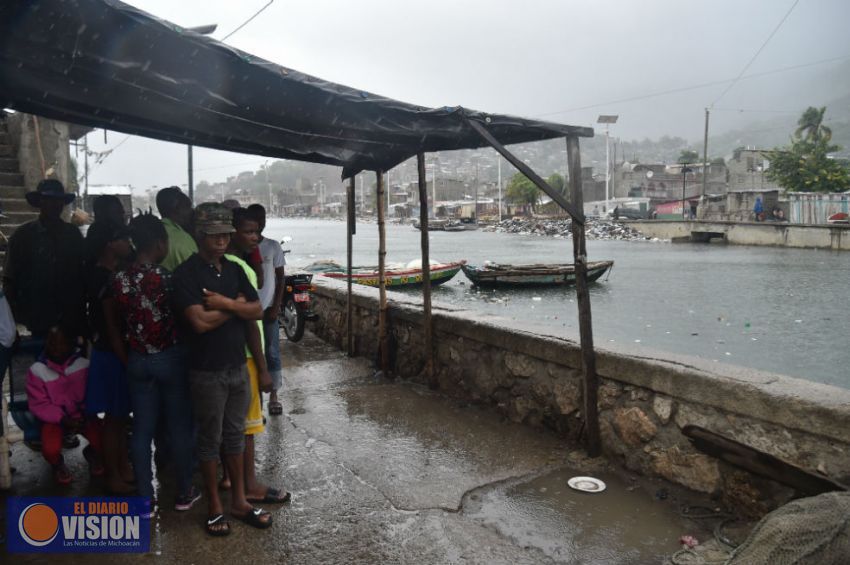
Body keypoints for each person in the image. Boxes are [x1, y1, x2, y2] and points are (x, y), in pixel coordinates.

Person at [171, 203, 272, 536]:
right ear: (201, 234)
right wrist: (238, 308)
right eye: (215, 234)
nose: (222, 240)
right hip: (206, 370)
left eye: (226, 234)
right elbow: (198, 322)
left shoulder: (232, 268)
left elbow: (257, 308)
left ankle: (239, 501)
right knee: (209, 441)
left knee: (235, 437)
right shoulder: (186, 274)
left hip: (236, 366)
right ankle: (215, 506)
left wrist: (225, 304)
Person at [107, 213, 199, 516]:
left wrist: (128, 356)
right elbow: (185, 321)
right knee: (179, 427)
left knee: (142, 431)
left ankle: (145, 500)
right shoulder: (166, 278)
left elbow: (114, 326)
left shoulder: (118, 280)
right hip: (170, 358)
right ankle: (185, 492)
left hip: (137, 360)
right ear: (159, 243)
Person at [221, 208, 288, 505]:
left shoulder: (223, 265)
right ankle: (248, 485)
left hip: (229, 354)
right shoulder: (239, 268)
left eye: (256, 231)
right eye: (248, 232)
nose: (255, 237)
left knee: (232, 426)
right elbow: (251, 320)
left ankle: (234, 480)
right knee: (246, 427)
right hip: (247, 355)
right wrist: (262, 368)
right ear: (230, 232)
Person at [84, 220, 135, 494]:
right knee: (114, 419)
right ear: (110, 244)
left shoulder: (113, 272)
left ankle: (123, 467)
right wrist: (125, 360)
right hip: (112, 353)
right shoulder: (103, 278)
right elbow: (112, 326)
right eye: (123, 239)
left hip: (114, 351)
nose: (128, 244)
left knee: (120, 416)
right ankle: (114, 474)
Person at [3, 179, 86, 340]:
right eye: (49, 200)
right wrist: (10, 322)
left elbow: (83, 274)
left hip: (70, 316)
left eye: (58, 200)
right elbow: (9, 280)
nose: (55, 205)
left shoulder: (73, 235)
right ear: (40, 202)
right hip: (36, 318)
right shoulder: (22, 236)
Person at [26, 325, 102, 485]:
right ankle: (57, 464)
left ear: (70, 344)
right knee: (50, 449)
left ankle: (92, 453)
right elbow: (40, 404)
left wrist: (87, 413)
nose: (56, 348)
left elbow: (93, 394)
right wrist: (62, 419)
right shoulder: (37, 370)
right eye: (51, 343)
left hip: (82, 416)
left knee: (105, 440)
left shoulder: (84, 365)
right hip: (54, 420)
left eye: (61, 343)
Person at [247, 204, 285, 416]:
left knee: (272, 352)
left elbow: (281, 279)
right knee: (253, 354)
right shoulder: (244, 249)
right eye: (255, 218)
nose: (260, 222)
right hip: (249, 312)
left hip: (268, 310)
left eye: (262, 218)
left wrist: (276, 306)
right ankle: (255, 401)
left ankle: (274, 396)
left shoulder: (272, 246)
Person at [156, 186, 197, 272]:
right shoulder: (183, 239)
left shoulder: (153, 231)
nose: (192, 211)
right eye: (188, 206)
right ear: (177, 209)